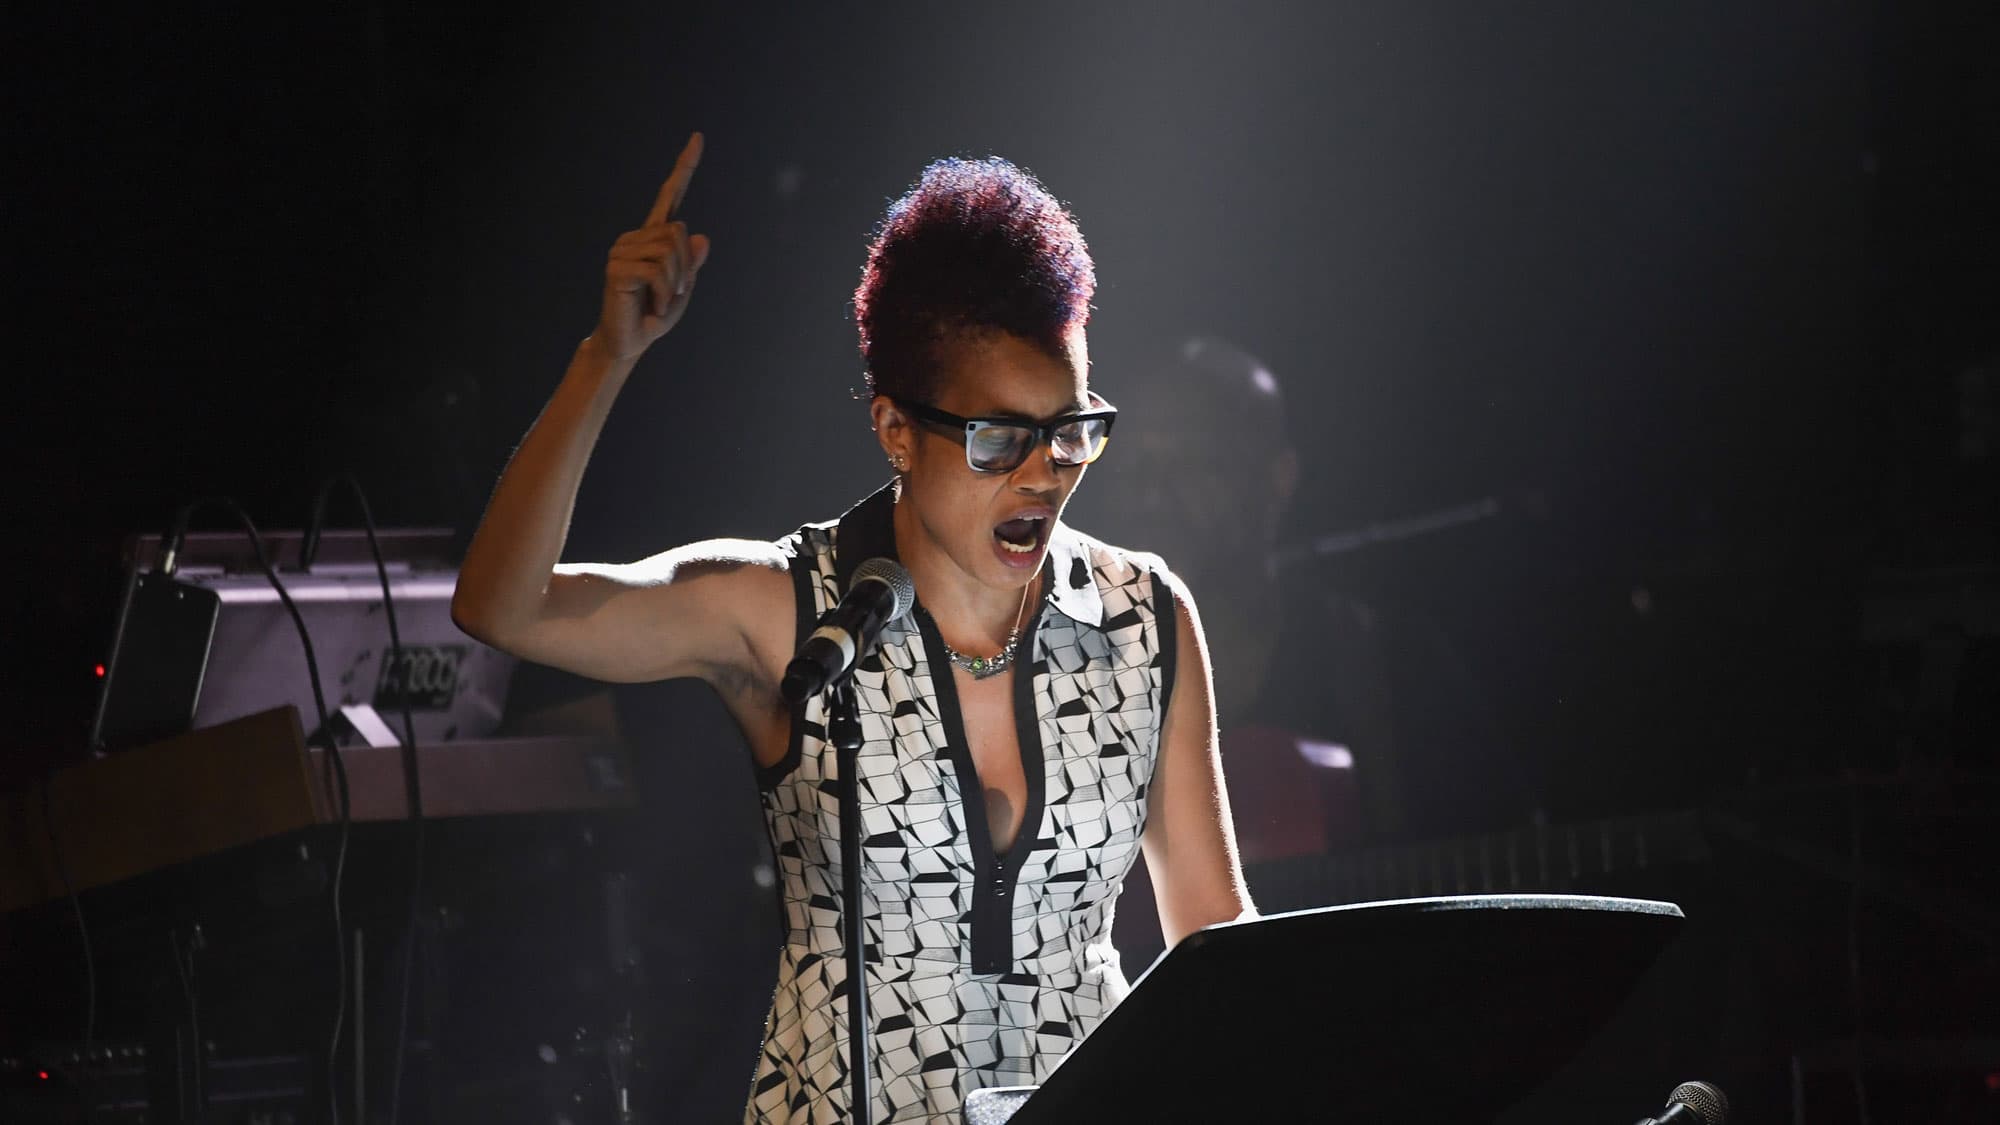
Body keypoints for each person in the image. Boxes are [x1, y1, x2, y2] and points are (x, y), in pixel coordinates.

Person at [450, 133, 1253, 1123]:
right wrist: (603, 358)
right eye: (998, 439)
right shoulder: (789, 607)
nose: (1042, 471)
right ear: (895, 431)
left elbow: (1214, 945)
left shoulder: (1146, 617)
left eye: (1069, 430)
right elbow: (501, 605)